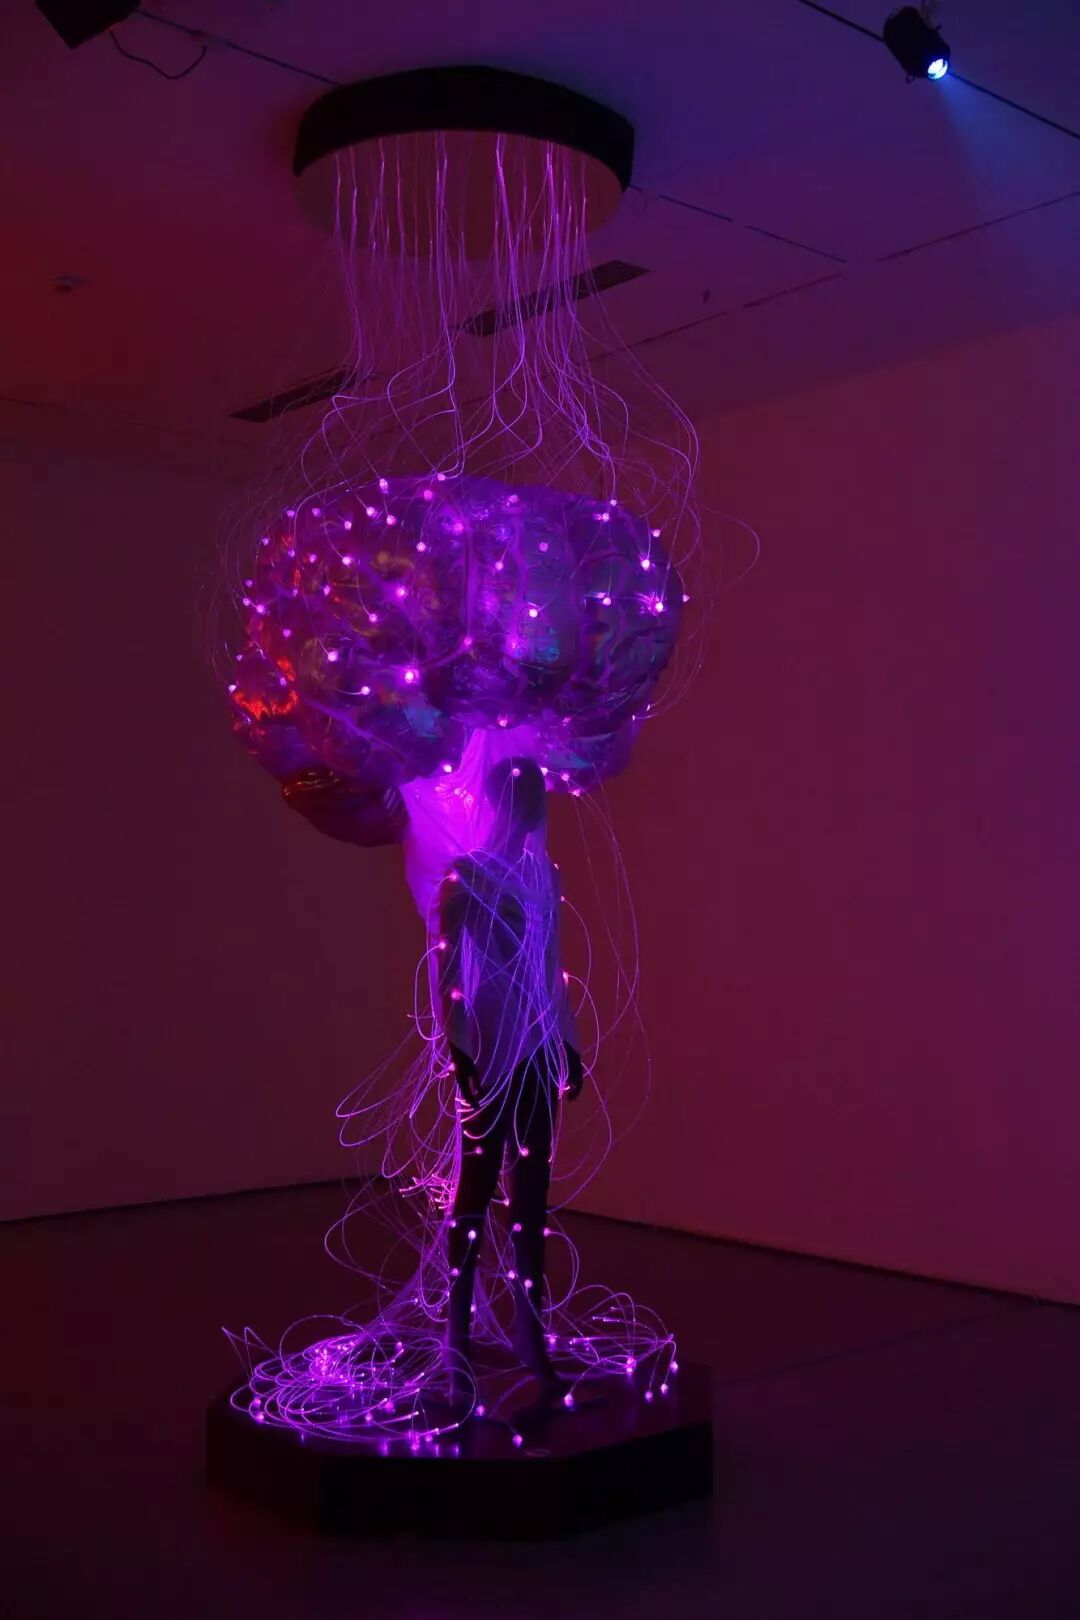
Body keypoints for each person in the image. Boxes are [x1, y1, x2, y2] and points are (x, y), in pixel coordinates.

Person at [434, 757, 584, 1400]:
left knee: (531, 1195)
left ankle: (529, 1334)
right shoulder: (466, 875)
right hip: (492, 1047)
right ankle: (456, 1338)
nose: (534, 810)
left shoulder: (545, 875)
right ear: (503, 803)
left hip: (538, 1047)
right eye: (525, 799)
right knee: (475, 1186)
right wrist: (459, 1046)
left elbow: (552, 969)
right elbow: (447, 973)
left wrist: (569, 1043)